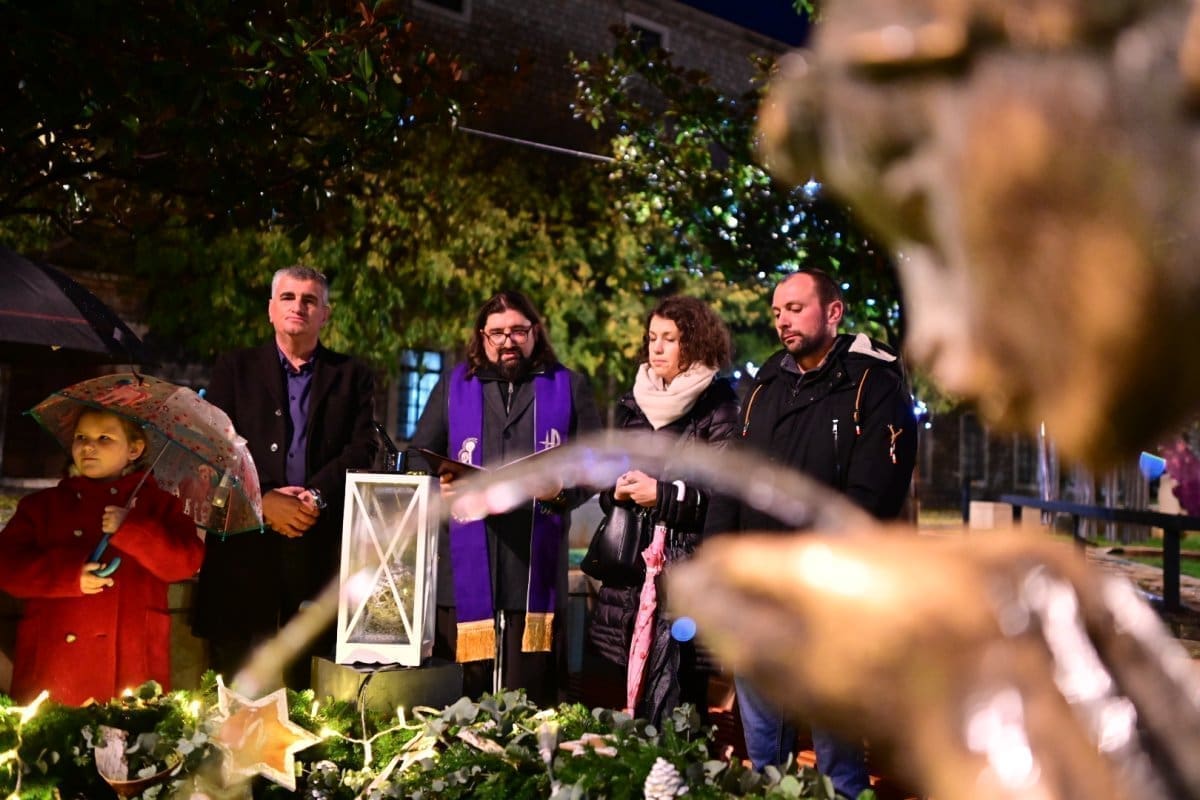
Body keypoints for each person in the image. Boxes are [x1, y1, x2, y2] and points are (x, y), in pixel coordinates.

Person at [704, 269, 917, 799]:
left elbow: (873, 498)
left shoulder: (873, 384)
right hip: (759, 588)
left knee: (836, 747)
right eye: (777, 312)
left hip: (830, 593)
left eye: (795, 309)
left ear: (834, 312)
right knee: (763, 747)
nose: (782, 321)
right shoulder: (765, 384)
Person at [409, 290, 602, 707]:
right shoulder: (454, 386)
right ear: (482, 336)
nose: (507, 341)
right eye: (496, 332)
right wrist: (441, 485)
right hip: (463, 559)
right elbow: (417, 455)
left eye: (518, 330)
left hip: (534, 561)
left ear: (535, 331)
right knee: (459, 696)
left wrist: (561, 491)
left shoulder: (569, 386)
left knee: (530, 697)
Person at [192, 265, 377, 688]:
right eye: (288, 297)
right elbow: (216, 446)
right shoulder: (234, 368)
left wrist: (315, 495)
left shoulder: (353, 376)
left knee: (309, 680)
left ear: (325, 314)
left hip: (315, 542)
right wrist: (264, 501)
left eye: (310, 300)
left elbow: (362, 448)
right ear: (271, 309)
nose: (299, 306)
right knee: (235, 677)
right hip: (242, 546)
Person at [584, 295, 739, 725]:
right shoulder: (635, 403)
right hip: (630, 577)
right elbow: (610, 483)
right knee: (626, 704)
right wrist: (616, 490)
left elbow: (724, 494)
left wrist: (664, 495)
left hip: (683, 574)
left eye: (669, 338)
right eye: (652, 337)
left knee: (678, 705)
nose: (656, 347)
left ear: (695, 342)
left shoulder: (718, 405)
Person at [0, 409, 204, 705]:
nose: (88, 447)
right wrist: (69, 576)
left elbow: (185, 563)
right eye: (81, 437)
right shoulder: (42, 507)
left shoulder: (160, 507)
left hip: (131, 665)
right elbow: (7, 566)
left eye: (104, 438)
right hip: (53, 666)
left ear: (134, 449)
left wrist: (132, 528)